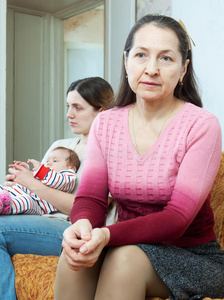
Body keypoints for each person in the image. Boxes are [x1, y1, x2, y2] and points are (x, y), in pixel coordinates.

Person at [54, 14, 224, 300]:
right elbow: (91, 198)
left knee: (125, 260)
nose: (151, 69)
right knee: (74, 258)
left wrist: (107, 235)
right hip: (126, 245)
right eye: (141, 55)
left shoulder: (201, 125)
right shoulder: (106, 123)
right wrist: (82, 225)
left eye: (166, 59)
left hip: (192, 256)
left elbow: (178, 217)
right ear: (126, 61)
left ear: (183, 69)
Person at [0, 76, 114, 300]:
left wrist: (32, 184)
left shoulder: (110, 153)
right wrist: (18, 185)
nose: (69, 115)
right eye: (68, 106)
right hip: (41, 218)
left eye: (78, 108)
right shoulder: (62, 146)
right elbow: (38, 190)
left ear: (101, 112)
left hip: (75, 231)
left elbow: (91, 212)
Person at [0, 147, 80, 215]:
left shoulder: (68, 177)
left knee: (25, 201)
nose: (48, 163)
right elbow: (31, 177)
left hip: (37, 202)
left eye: (55, 161)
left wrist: (41, 170)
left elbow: (56, 181)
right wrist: (22, 169)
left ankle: (4, 206)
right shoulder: (46, 174)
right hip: (18, 191)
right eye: (47, 161)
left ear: (71, 168)